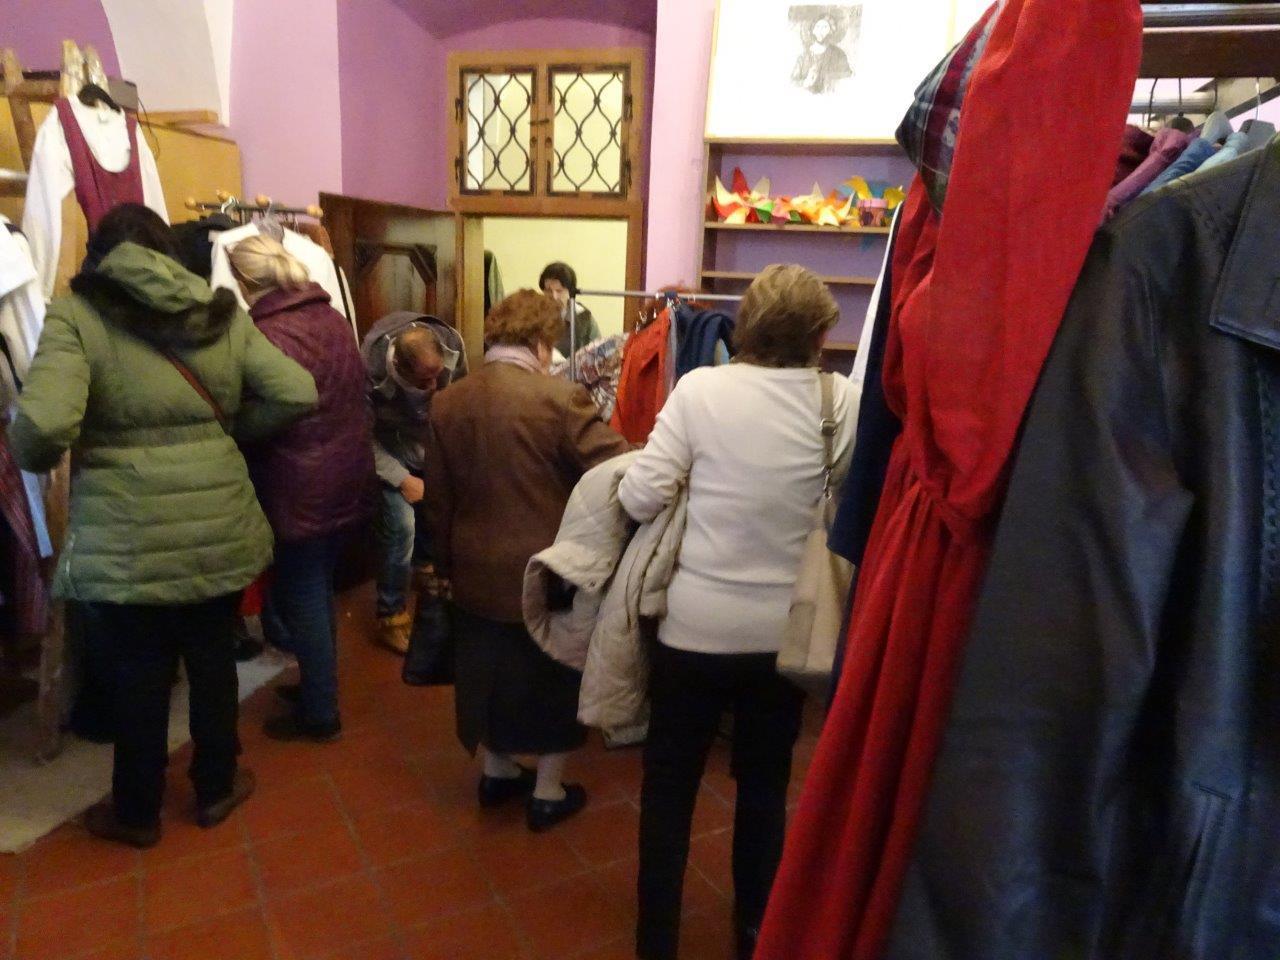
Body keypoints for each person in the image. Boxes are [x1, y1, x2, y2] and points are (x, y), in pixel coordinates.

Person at [7, 204, 317, 848]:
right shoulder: (220, 312)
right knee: (212, 660)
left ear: (100, 256)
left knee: (139, 673)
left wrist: (41, 457)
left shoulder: (76, 315)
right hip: (217, 522)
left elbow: (41, 427)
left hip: (127, 532)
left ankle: (136, 812)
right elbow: (296, 391)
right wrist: (227, 432)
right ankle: (216, 786)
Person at [617, 265, 857, 960]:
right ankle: (754, 933)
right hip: (786, 634)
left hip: (695, 628)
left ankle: (656, 940)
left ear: (745, 324)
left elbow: (639, 498)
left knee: (668, 789)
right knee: (763, 787)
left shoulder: (700, 391)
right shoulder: (841, 400)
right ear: (819, 334)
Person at [424, 289, 629, 831]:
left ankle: (497, 773)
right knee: (552, 675)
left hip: (472, 566)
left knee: (487, 673)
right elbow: (618, 468)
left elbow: (437, 499)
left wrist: (443, 565)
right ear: (541, 342)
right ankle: (547, 790)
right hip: (544, 569)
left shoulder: (448, 401)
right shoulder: (560, 400)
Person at [228, 235, 375, 743]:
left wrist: (239, 426)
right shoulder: (331, 318)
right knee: (318, 587)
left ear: (246, 281)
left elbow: (263, 408)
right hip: (346, 473)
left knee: (304, 593)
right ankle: (318, 686)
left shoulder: (263, 333)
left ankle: (320, 711)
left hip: (298, 482)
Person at [361, 311, 467, 653]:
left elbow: (459, 401)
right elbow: (361, 437)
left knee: (435, 515)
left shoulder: (451, 345)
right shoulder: (370, 370)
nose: (434, 387)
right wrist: (401, 478)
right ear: (399, 369)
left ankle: (424, 569)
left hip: (430, 446)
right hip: (390, 449)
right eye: (423, 382)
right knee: (402, 527)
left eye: (437, 376)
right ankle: (390, 614)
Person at [539, 261, 601, 358]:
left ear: (571, 292)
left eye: (559, 291)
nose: (554, 297)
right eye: (549, 291)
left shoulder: (583, 317)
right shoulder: (535, 315)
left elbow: (597, 352)